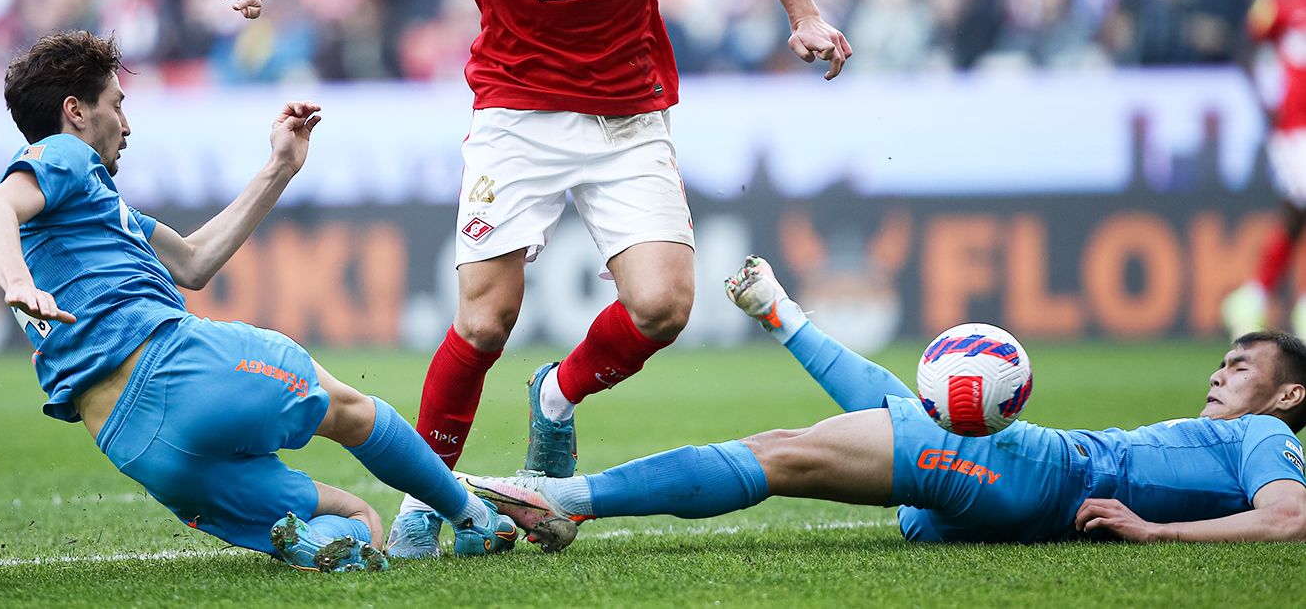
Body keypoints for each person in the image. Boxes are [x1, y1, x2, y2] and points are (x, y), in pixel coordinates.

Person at [213, 0, 853, 557]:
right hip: (516, 118)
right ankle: (428, 501)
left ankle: (556, 395)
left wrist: (802, 11)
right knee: (484, 324)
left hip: (628, 117)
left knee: (662, 308)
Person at [0, 31, 518, 572]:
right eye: (117, 104)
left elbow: (193, 262)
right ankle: (476, 518)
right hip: (177, 369)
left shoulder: (88, 208)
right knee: (353, 411)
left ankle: (315, 543)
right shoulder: (62, 154)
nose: (127, 125)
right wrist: (16, 281)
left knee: (355, 519)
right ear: (76, 111)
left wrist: (279, 167)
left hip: (135, 446)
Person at [459, 256, 1306, 548]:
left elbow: (1289, 520)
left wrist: (1156, 531)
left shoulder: (1266, 439)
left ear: (1289, 394)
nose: (1218, 373)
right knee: (913, 412)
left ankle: (568, 502)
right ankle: (787, 319)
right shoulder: (1218, 433)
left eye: (1241, 365)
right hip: (1021, 474)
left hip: (1040, 478)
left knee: (782, 451)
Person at [1223, 0, 1306, 339]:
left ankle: (1253, 297)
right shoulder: (1282, 2)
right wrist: (1263, 101)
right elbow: (1244, 44)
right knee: (1296, 210)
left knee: (1295, 217)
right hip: (1295, 130)